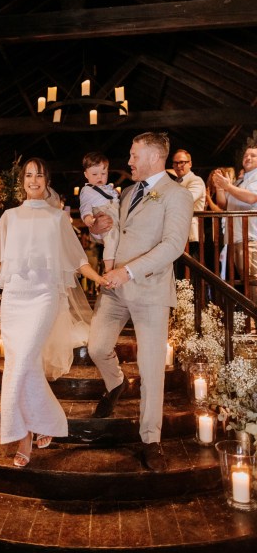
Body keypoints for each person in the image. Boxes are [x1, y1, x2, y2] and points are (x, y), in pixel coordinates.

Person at [0, 157, 109, 468]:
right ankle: (45, 420)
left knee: (24, 358)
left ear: (46, 180)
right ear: (22, 181)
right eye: (28, 175)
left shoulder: (57, 218)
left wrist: (100, 279)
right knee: (21, 363)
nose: (34, 180)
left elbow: (77, 260)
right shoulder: (9, 217)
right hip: (14, 298)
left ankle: (23, 435)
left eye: (39, 175)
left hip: (44, 297)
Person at [87, 132, 193, 472]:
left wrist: (129, 271)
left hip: (149, 291)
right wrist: (99, 232)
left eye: (134, 155)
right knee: (96, 347)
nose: (129, 161)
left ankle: (151, 440)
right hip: (113, 287)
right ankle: (116, 382)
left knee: (151, 370)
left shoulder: (177, 195)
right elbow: (112, 231)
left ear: (152, 156)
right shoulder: (128, 192)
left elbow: (174, 244)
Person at [214, 141, 257, 303]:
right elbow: (223, 204)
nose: (248, 158)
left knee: (254, 281)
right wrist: (220, 187)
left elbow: (252, 198)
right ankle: (251, 323)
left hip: (251, 238)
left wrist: (228, 186)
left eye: (253, 155)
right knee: (245, 282)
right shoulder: (241, 181)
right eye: (246, 155)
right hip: (236, 238)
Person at [79, 152, 120, 272]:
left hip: (115, 215)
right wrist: (87, 217)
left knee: (117, 239)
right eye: (95, 174)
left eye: (103, 173)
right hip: (104, 215)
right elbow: (85, 206)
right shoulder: (87, 190)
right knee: (111, 239)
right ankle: (109, 269)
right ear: (86, 174)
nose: (99, 177)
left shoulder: (108, 188)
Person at [171, 149, 206, 270]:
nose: (178, 166)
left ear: (190, 163)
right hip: (176, 234)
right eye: (175, 163)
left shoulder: (195, 180)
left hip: (191, 234)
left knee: (190, 271)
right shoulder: (175, 182)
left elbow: (186, 200)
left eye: (182, 162)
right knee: (179, 271)